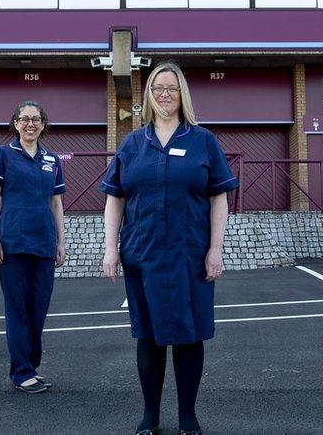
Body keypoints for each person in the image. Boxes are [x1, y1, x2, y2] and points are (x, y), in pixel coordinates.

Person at [101, 61, 238, 435]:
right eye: (158, 88)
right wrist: (110, 248)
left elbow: (219, 198)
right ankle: (150, 414)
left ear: (182, 95)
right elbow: (116, 198)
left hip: (189, 254)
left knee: (188, 333)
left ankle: (188, 415)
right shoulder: (132, 143)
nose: (164, 94)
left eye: (172, 88)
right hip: (142, 254)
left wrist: (216, 249)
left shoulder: (203, 141)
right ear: (148, 95)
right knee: (148, 335)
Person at [0, 101, 67, 394]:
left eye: (36, 119)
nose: (30, 124)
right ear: (15, 123)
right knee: (17, 308)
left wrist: (61, 241)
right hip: (13, 243)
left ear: (43, 124)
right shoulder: (3, 154)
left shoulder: (52, 160)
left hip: (43, 243)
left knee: (38, 308)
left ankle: (30, 365)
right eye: (24, 119)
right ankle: (21, 372)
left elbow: (56, 203)